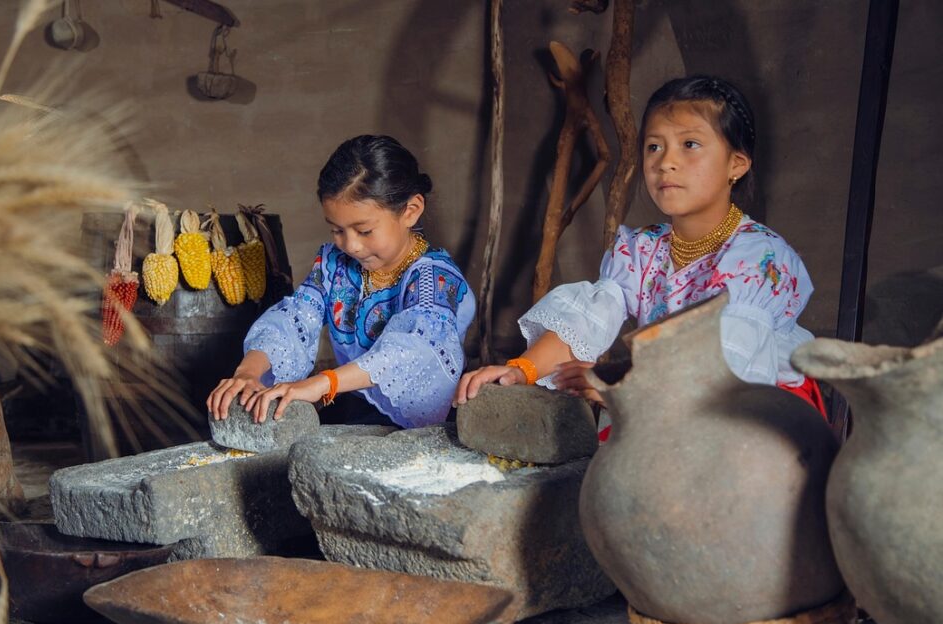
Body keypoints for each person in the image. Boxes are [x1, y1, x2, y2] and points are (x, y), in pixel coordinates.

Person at [455, 75, 827, 420]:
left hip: (753, 418)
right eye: (654, 146)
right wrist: (521, 370)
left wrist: (626, 387)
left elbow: (728, 369)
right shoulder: (643, 249)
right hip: (664, 405)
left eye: (690, 144)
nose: (666, 163)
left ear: (737, 164)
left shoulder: (761, 258)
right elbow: (587, 321)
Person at [208, 134, 475, 428]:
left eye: (364, 231)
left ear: (411, 211)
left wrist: (325, 383)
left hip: (419, 422)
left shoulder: (434, 279)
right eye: (337, 230)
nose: (351, 246)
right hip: (354, 408)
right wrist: (248, 372)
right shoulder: (334, 264)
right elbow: (294, 318)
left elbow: (415, 350)